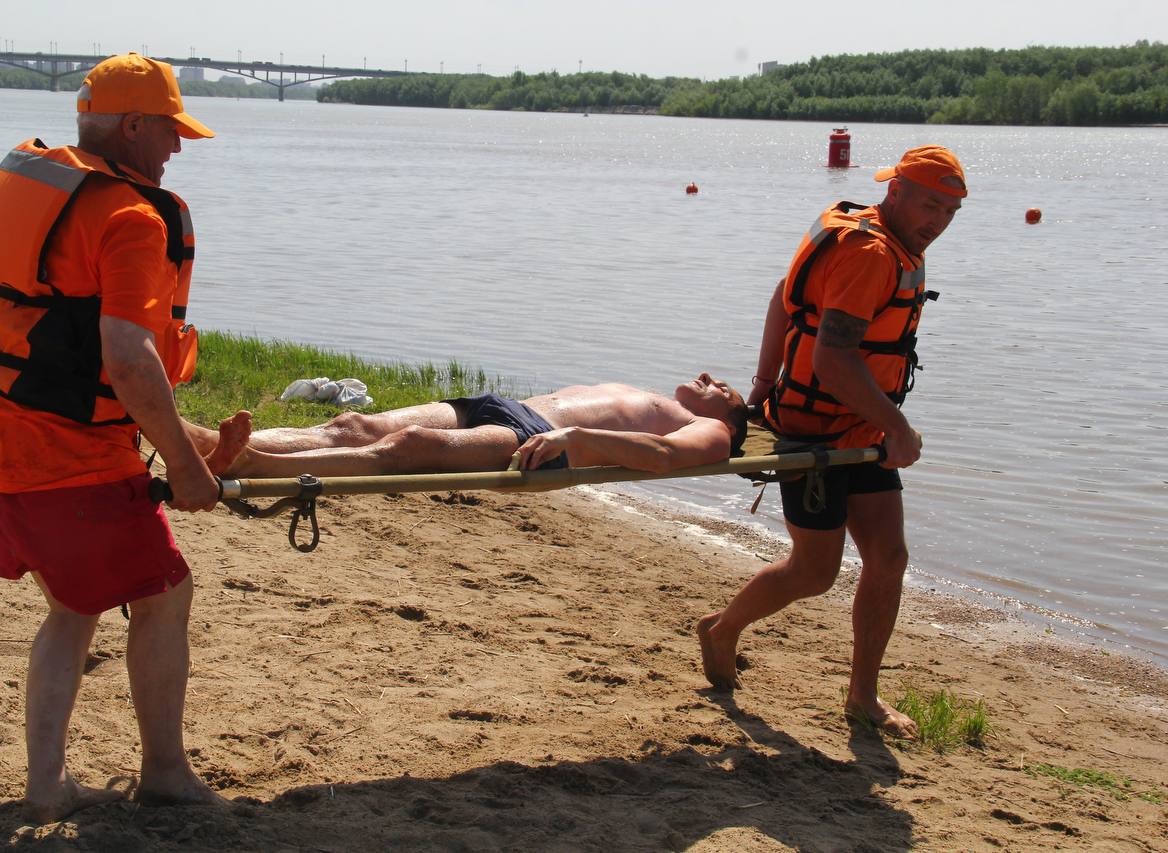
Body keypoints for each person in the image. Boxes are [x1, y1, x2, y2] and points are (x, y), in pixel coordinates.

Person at [0, 53, 236, 822]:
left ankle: (47, 786)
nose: (177, 149)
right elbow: (127, 353)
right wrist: (186, 467)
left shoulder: (50, 185)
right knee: (167, 593)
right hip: (62, 454)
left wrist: (188, 440)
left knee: (72, 607)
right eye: (170, 131)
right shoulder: (133, 218)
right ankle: (166, 773)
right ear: (134, 125)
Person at [697, 146, 967, 739]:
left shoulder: (886, 240)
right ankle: (720, 630)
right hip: (816, 433)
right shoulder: (869, 251)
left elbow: (781, 292)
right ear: (894, 191)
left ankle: (863, 697)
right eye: (930, 205)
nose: (938, 221)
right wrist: (895, 426)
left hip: (863, 430)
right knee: (815, 572)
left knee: (888, 559)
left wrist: (764, 382)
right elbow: (835, 358)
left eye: (950, 211)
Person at [195, 374, 749, 478]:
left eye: (723, 388)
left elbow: (663, 456)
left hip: (539, 438)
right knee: (353, 423)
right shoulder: (653, 392)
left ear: (730, 415)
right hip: (504, 404)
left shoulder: (713, 431)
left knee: (410, 446)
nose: (709, 379)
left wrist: (573, 439)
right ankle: (206, 444)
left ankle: (256, 463)